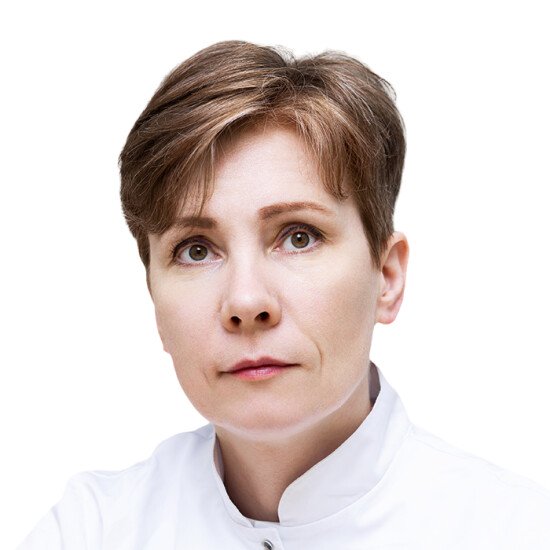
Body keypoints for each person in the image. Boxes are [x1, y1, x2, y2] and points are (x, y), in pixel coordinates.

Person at [19, 40, 550, 549]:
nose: (246, 302)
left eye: (299, 237)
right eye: (196, 250)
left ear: (386, 276)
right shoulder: (91, 530)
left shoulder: (518, 532)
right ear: (155, 304)